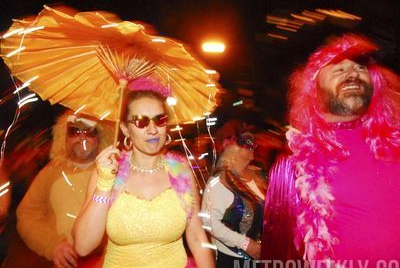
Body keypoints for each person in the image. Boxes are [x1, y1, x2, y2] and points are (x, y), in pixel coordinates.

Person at [261, 33, 400, 266]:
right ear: (313, 86)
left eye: (359, 67)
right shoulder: (294, 162)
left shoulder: (394, 143)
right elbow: (279, 250)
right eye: (338, 68)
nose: (353, 73)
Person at [73, 77, 215, 268]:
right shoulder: (108, 172)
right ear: (125, 128)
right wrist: (105, 183)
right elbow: (83, 246)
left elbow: (197, 237)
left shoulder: (181, 171)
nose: (152, 129)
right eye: (141, 121)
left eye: (160, 120)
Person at [16, 111, 113, 268]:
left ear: (100, 137)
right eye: (74, 131)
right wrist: (53, 244)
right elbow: (27, 215)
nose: (82, 137)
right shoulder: (49, 173)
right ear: (64, 137)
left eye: (89, 132)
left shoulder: (114, 173)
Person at [201, 132, 267, 268]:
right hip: (234, 259)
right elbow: (209, 222)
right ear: (232, 148)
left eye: (252, 143)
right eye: (245, 143)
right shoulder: (219, 181)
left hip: (265, 256)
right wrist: (245, 243)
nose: (252, 145)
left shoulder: (260, 175)